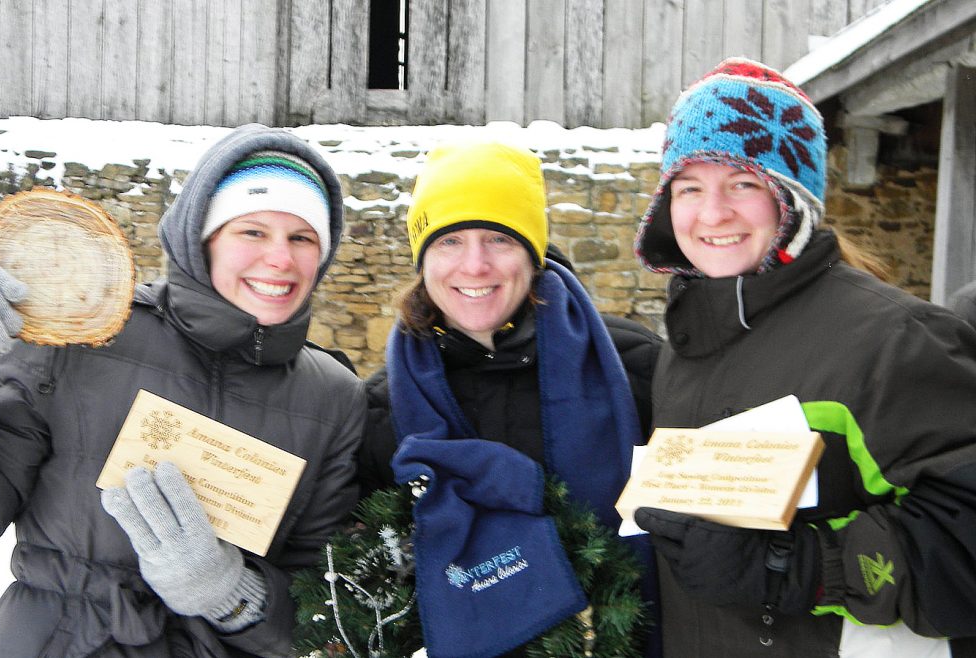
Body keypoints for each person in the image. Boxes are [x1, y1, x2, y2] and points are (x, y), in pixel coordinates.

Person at [0, 124, 366, 657]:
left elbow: (322, 617)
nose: (281, 259)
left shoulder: (333, 398)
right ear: (202, 238)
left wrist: (231, 593)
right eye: (252, 232)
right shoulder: (87, 332)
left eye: (302, 238)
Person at [631, 57, 976, 657]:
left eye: (742, 183)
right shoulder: (682, 344)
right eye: (689, 187)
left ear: (792, 199)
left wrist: (800, 566)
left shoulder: (895, 339)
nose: (712, 213)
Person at [358, 140, 662, 657]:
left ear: (532, 251)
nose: (474, 265)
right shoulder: (383, 409)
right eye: (449, 241)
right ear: (422, 257)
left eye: (498, 238)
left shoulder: (633, 368)